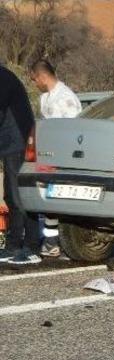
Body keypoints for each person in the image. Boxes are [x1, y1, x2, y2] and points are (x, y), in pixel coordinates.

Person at [30, 59, 80, 258]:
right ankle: (51, 241)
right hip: (49, 157)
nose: (35, 84)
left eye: (35, 80)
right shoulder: (45, 99)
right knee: (50, 200)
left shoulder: (65, 98)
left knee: (62, 200)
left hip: (64, 157)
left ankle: (64, 242)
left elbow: (72, 131)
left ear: (42, 77)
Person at [0, 61, 40, 265]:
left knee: (19, 196)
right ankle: (13, 244)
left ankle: (31, 246)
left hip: (18, 143)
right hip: (8, 144)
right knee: (10, 195)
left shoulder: (3, 78)